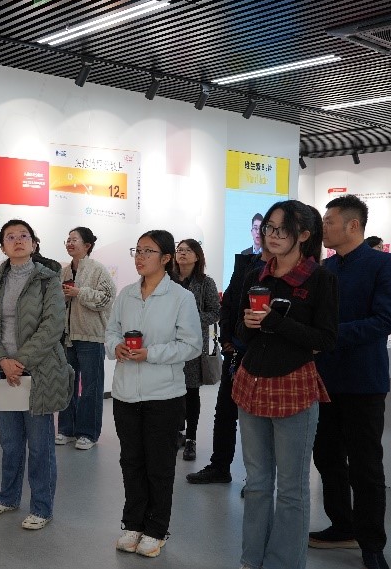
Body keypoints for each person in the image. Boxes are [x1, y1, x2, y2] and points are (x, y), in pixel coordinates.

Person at [233, 200, 338, 569]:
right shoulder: (256, 274)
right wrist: (248, 324)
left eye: (282, 229)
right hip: (251, 383)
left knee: (292, 489)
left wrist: (276, 322)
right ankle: (251, 559)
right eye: (269, 228)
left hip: (294, 386)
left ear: (304, 235)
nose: (272, 236)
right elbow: (239, 331)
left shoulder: (320, 279)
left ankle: (284, 563)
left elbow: (326, 338)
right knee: (257, 483)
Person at [106, 230, 202, 558]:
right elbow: (111, 331)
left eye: (148, 251)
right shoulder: (126, 294)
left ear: (166, 258)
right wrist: (115, 347)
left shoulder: (180, 297)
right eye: (137, 250)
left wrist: (151, 354)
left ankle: (157, 528)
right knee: (131, 461)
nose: (140, 257)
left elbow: (192, 345)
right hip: (125, 394)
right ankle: (132, 524)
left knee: (159, 465)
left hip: (164, 395)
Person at [311, 194, 391, 569]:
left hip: (363, 381)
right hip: (324, 379)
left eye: (328, 221)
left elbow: (384, 320)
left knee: (366, 465)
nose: (323, 228)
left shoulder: (382, 265)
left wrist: (330, 336)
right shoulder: (324, 269)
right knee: (327, 457)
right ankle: (342, 525)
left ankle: (372, 543)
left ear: (352, 225)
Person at [0, 219, 73, 530]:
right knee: (10, 442)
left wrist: (20, 361)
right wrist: (2, 360)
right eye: (10, 237)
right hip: (4, 372)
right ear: (2, 246)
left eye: (24, 236)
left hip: (38, 372)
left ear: (33, 243)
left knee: (40, 445)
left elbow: (52, 325)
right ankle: (7, 497)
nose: (17, 241)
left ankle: (42, 507)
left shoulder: (48, 279)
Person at [186, 247, 269, 484]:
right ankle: (220, 466)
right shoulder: (246, 264)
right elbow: (229, 304)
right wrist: (225, 339)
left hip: (263, 353)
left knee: (258, 418)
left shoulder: (283, 270)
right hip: (235, 351)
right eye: (265, 230)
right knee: (225, 412)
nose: (268, 235)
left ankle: (257, 480)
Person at [56, 226, 116, 450]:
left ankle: (88, 433)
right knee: (67, 384)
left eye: (75, 240)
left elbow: (107, 298)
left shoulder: (98, 269)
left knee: (91, 386)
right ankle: (66, 429)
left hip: (91, 336)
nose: (70, 243)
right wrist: (62, 296)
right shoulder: (63, 271)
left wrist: (79, 292)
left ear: (87, 245)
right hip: (67, 336)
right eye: (68, 239)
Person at [172, 239, 220, 461]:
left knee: (191, 392)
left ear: (197, 256)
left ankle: (191, 439)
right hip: (169, 343)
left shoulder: (205, 283)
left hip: (193, 345)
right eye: (179, 250)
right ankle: (176, 433)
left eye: (188, 250)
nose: (182, 253)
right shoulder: (168, 279)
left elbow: (215, 312)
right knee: (172, 392)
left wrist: (190, 319)